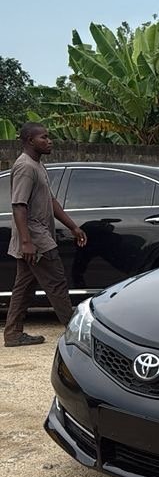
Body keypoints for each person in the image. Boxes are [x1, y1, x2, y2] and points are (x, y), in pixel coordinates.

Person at [3, 123, 87, 347]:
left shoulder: (38, 165)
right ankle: (75, 334)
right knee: (57, 283)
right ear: (30, 140)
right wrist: (27, 242)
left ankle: (12, 334)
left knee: (24, 286)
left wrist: (72, 226)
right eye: (44, 137)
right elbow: (19, 206)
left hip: (36, 236)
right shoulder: (25, 167)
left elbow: (50, 201)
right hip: (35, 237)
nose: (49, 141)